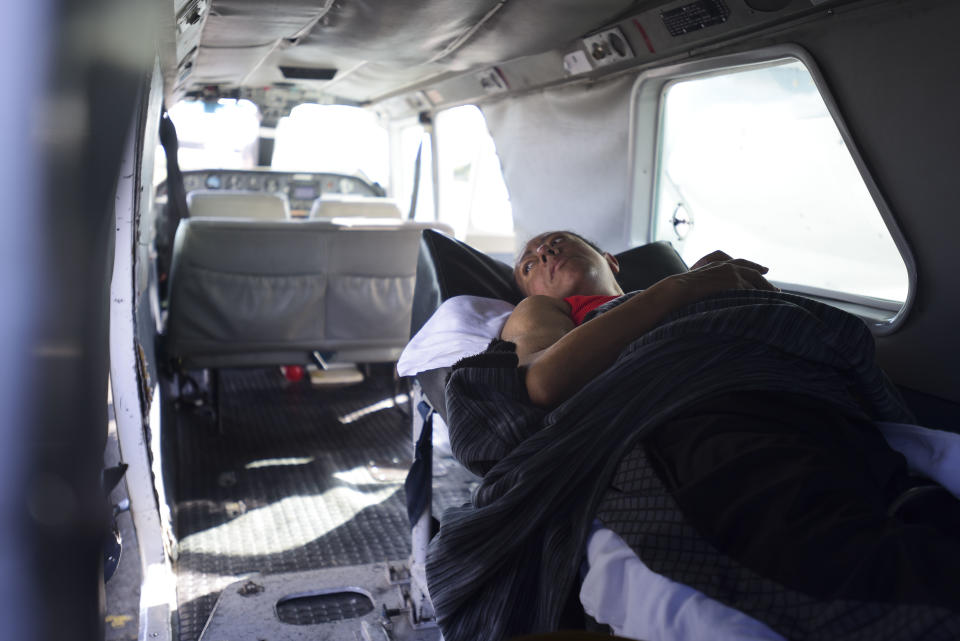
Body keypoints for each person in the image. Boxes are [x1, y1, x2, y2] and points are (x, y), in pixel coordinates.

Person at [503, 230, 776, 407]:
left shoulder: (671, 292)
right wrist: (679, 288)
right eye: (529, 266)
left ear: (610, 261)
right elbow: (541, 381)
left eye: (558, 241)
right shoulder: (536, 308)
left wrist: (709, 293)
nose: (544, 252)